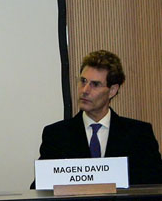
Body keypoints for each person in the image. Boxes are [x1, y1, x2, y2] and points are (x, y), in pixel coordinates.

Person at [33, 50, 162, 187]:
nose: (85, 90)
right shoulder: (56, 134)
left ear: (112, 90)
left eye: (95, 84)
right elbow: (40, 188)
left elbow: (155, 184)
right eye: (83, 81)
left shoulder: (139, 134)